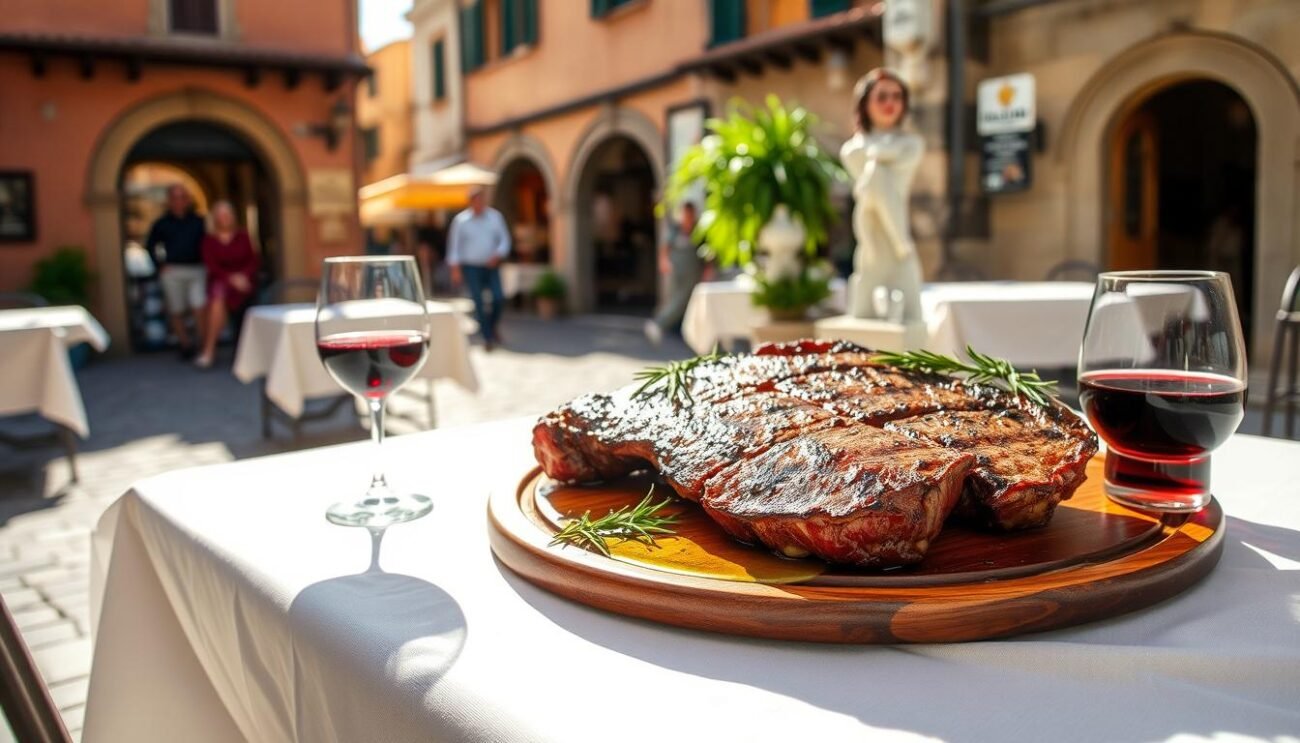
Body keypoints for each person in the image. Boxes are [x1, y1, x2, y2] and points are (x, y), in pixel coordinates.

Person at [840, 68, 925, 322]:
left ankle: (899, 240)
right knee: (876, 174)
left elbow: (889, 160)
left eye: (897, 96)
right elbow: (859, 156)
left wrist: (876, 159)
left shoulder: (912, 144)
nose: (890, 103)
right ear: (865, 103)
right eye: (882, 97)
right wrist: (880, 157)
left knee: (876, 175)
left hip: (896, 244)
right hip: (872, 239)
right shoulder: (852, 149)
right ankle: (900, 240)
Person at [194, 201, 259, 369]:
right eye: (220, 215)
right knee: (218, 297)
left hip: (244, 283)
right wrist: (232, 279)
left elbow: (253, 260)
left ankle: (210, 351)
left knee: (222, 296)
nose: (224, 218)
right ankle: (209, 350)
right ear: (215, 218)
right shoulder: (209, 240)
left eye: (227, 214)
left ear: (233, 217)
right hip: (221, 281)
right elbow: (212, 266)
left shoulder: (243, 236)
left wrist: (243, 276)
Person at [146, 184, 208, 358]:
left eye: (182, 197)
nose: (179, 201)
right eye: (175, 197)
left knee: (199, 307)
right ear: (169, 201)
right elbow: (150, 246)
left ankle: (203, 345)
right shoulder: (161, 223)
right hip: (173, 271)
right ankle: (185, 345)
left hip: (197, 269)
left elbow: (208, 245)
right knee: (176, 310)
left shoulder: (199, 221)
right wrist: (160, 266)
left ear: (188, 200)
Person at [447, 187, 511, 350]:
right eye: (476, 201)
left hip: (491, 265)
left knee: (498, 298)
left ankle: (491, 326)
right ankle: (487, 336)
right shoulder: (461, 221)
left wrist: (498, 254)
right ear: (471, 202)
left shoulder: (495, 217)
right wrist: (455, 268)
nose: (479, 204)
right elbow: (454, 246)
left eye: (481, 200)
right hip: (471, 266)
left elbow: (504, 240)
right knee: (478, 301)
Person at [644, 202, 705, 345]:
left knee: (685, 302)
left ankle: (682, 331)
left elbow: (706, 252)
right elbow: (665, 247)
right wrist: (663, 262)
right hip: (677, 272)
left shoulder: (697, 231)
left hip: (693, 272)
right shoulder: (675, 230)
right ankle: (659, 324)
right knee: (677, 300)